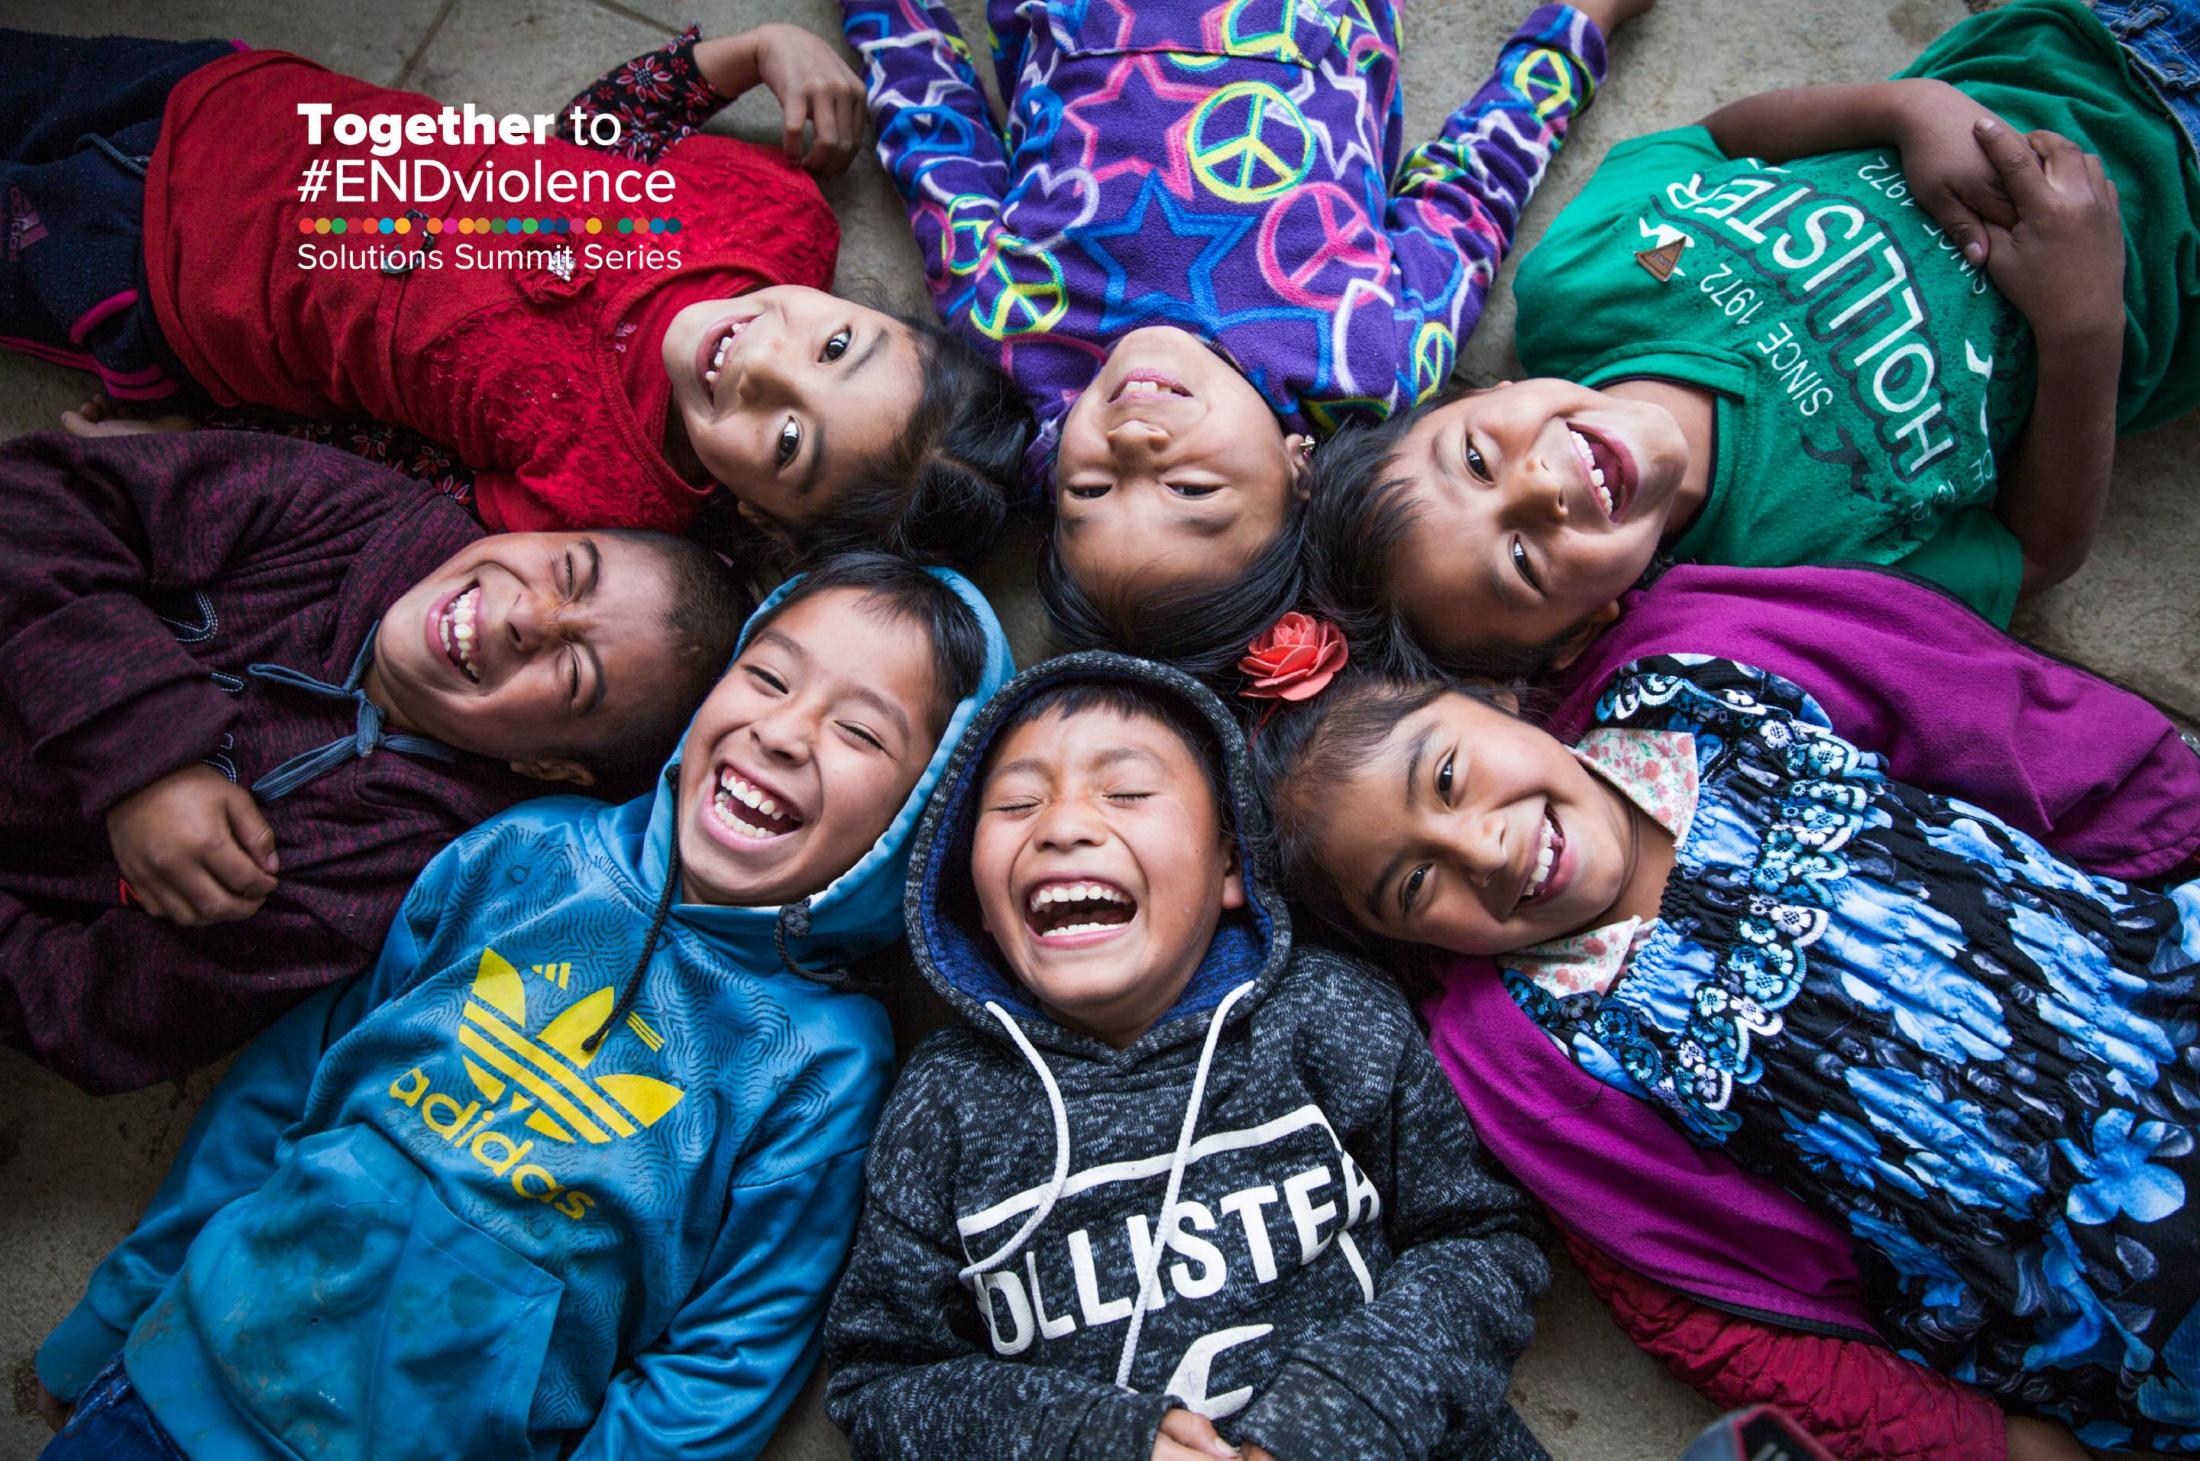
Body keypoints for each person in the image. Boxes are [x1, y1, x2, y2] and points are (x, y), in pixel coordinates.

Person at [31, 553, 1016, 1461]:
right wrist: (108, 1319)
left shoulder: (821, 1059)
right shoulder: (527, 854)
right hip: (172, 1385)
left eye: (857, 732)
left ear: (919, 818)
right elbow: (284, 1089)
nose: (784, 730)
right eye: (766, 676)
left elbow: (730, 1360)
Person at [1253, 639, 2200, 1454]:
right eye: (1418, 883)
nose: (1489, 849)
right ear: (1419, 947)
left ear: (1499, 697)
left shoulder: (1703, 692)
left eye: (1450, 777)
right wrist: (1973, 1443)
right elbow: (1689, 1294)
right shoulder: (1540, 1052)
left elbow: (1992, 715)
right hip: (2121, 1279)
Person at [1302, 0, 2200, 676]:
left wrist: (1904, 109)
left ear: (1480, 394)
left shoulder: (1581, 283)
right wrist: (2081, 320)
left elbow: (1710, 142)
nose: (1537, 490)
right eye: (1524, 562)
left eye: (1475, 462)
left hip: (2074, 40)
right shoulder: (1797, 573)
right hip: (2178, 252)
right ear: (1592, 625)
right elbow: (2033, 556)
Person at [824, 652, 1550, 1459]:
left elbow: (1484, 1240)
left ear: (1231, 862)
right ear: (978, 906)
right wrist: (1092, 1439)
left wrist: (1338, 1416)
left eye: (1128, 792)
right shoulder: (946, 1098)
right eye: (1017, 803)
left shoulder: (1326, 1012)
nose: (1061, 826)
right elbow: (880, 1380)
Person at [0, 23, 1029, 564]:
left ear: (766, 522)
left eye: (790, 443)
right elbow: (594, 141)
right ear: (865, 310)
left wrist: (180, 453)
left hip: (159, 290)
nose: (761, 364)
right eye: (836, 348)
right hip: (237, 104)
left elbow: (377, 470)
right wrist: (753, 52)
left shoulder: (605, 502)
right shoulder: (774, 221)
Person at [842, 0, 1653, 673]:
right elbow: (1473, 192)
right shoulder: (1370, 361)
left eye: (1089, 491)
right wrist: (1581, 25)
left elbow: (931, 129)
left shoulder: (1010, 332)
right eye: (1189, 490)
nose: (1132, 446)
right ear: (1298, 472)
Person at [0, 428, 748, 1093]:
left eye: (575, 675)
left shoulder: (388, 868)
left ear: (552, 769)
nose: (528, 617)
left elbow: (91, 1013)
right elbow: (34, 503)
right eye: (568, 571)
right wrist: (142, 752)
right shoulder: (362, 516)